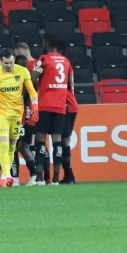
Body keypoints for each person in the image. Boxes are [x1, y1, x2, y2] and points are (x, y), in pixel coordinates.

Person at [0, 49, 39, 188]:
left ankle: (7, 175)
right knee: (3, 144)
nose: (9, 65)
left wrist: (35, 107)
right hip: (1, 114)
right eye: (6, 63)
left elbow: (32, 91)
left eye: (11, 62)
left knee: (12, 147)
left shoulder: (22, 72)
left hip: (17, 114)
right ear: (1, 61)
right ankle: (6, 176)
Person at [31, 34, 73, 185]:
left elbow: (31, 77)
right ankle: (56, 178)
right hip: (60, 106)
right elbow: (70, 84)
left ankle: (39, 177)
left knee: (40, 139)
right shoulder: (66, 61)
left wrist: (38, 83)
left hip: (45, 105)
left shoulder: (43, 59)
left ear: (47, 45)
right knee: (57, 141)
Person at [16, 42, 52, 183]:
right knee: (39, 144)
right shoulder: (39, 64)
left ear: (20, 51)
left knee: (27, 145)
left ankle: (37, 177)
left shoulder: (26, 67)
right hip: (40, 108)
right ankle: (46, 178)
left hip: (28, 111)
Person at [15, 54, 38, 186]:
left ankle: (35, 175)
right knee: (22, 146)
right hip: (28, 116)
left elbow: (22, 96)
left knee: (22, 146)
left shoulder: (24, 79)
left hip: (25, 117)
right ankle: (35, 175)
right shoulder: (29, 77)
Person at [58, 40, 78, 184]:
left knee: (60, 140)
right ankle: (68, 175)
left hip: (65, 104)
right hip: (71, 104)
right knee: (63, 141)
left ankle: (69, 175)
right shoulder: (67, 63)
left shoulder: (57, 64)